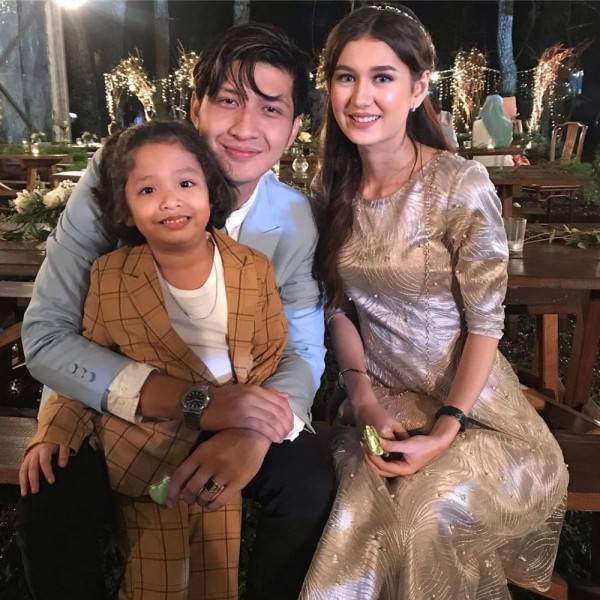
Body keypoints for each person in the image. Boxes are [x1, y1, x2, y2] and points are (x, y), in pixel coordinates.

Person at [16, 23, 333, 600]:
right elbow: (47, 336)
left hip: (241, 404)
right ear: (195, 106)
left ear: (293, 129)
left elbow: (302, 348)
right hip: (116, 405)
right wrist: (198, 405)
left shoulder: (293, 219)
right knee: (51, 494)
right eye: (229, 100)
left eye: (270, 108)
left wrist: (254, 432)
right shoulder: (121, 176)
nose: (245, 128)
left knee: (308, 481)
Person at [301, 6, 568, 600]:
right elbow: (338, 308)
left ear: (419, 88)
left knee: (427, 514)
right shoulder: (330, 187)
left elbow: (485, 326)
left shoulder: (457, 184)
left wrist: (447, 429)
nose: (361, 97)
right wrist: (363, 401)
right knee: (362, 517)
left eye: (382, 77)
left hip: (476, 415)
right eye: (346, 77)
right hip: (384, 406)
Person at [472, 94, 515, 167]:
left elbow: (476, 144)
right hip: (501, 161)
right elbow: (507, 143)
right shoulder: (507, 123)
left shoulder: (477, 124)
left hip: (480, 161)